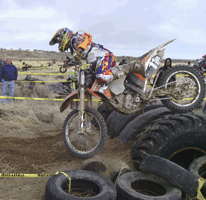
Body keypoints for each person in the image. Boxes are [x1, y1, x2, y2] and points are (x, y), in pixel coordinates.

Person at [49, 28, 145, 92]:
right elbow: (78, 60)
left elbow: (87, 37)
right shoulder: (73, 47)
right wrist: (69, 62)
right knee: (95, 84)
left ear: (63, 36)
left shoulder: (75, 38)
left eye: (59, 41)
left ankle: (131, 66)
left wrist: (80, 50)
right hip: (97, 61)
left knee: (101, 76)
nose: (59, 44)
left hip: (104, 56)